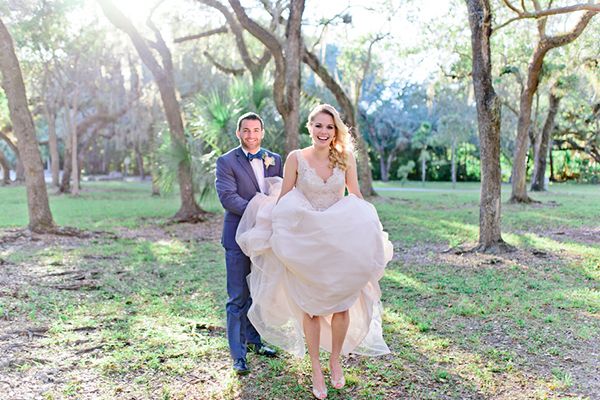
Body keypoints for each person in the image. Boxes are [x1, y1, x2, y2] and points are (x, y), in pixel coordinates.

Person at [236, 104, 392, 399]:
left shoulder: (345, 157)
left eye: (330, 127)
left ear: (336, 130)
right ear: (310, 128)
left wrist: (370, 223)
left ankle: (335, 360)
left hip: (337, 239)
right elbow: (284, 198)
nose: (324, 132)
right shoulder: (296, 158)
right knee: (309, 307)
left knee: (342, 302)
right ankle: (316, 368)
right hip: (306, 239)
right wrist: (278, 232)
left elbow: (355, 193)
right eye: (319, 126)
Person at [215, 112, 283, 375]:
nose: (251, 135)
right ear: (238, 133)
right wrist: (260, 212)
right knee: (237, 296)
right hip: (236, 236)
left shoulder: (274, 160)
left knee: (257, 291)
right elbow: (228, 198)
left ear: (262, 132)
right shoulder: (226, 161)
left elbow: (280, 193)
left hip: (266, 237)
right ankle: (238, 355)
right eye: (246, 130)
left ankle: (254, 342)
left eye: (255, 130)